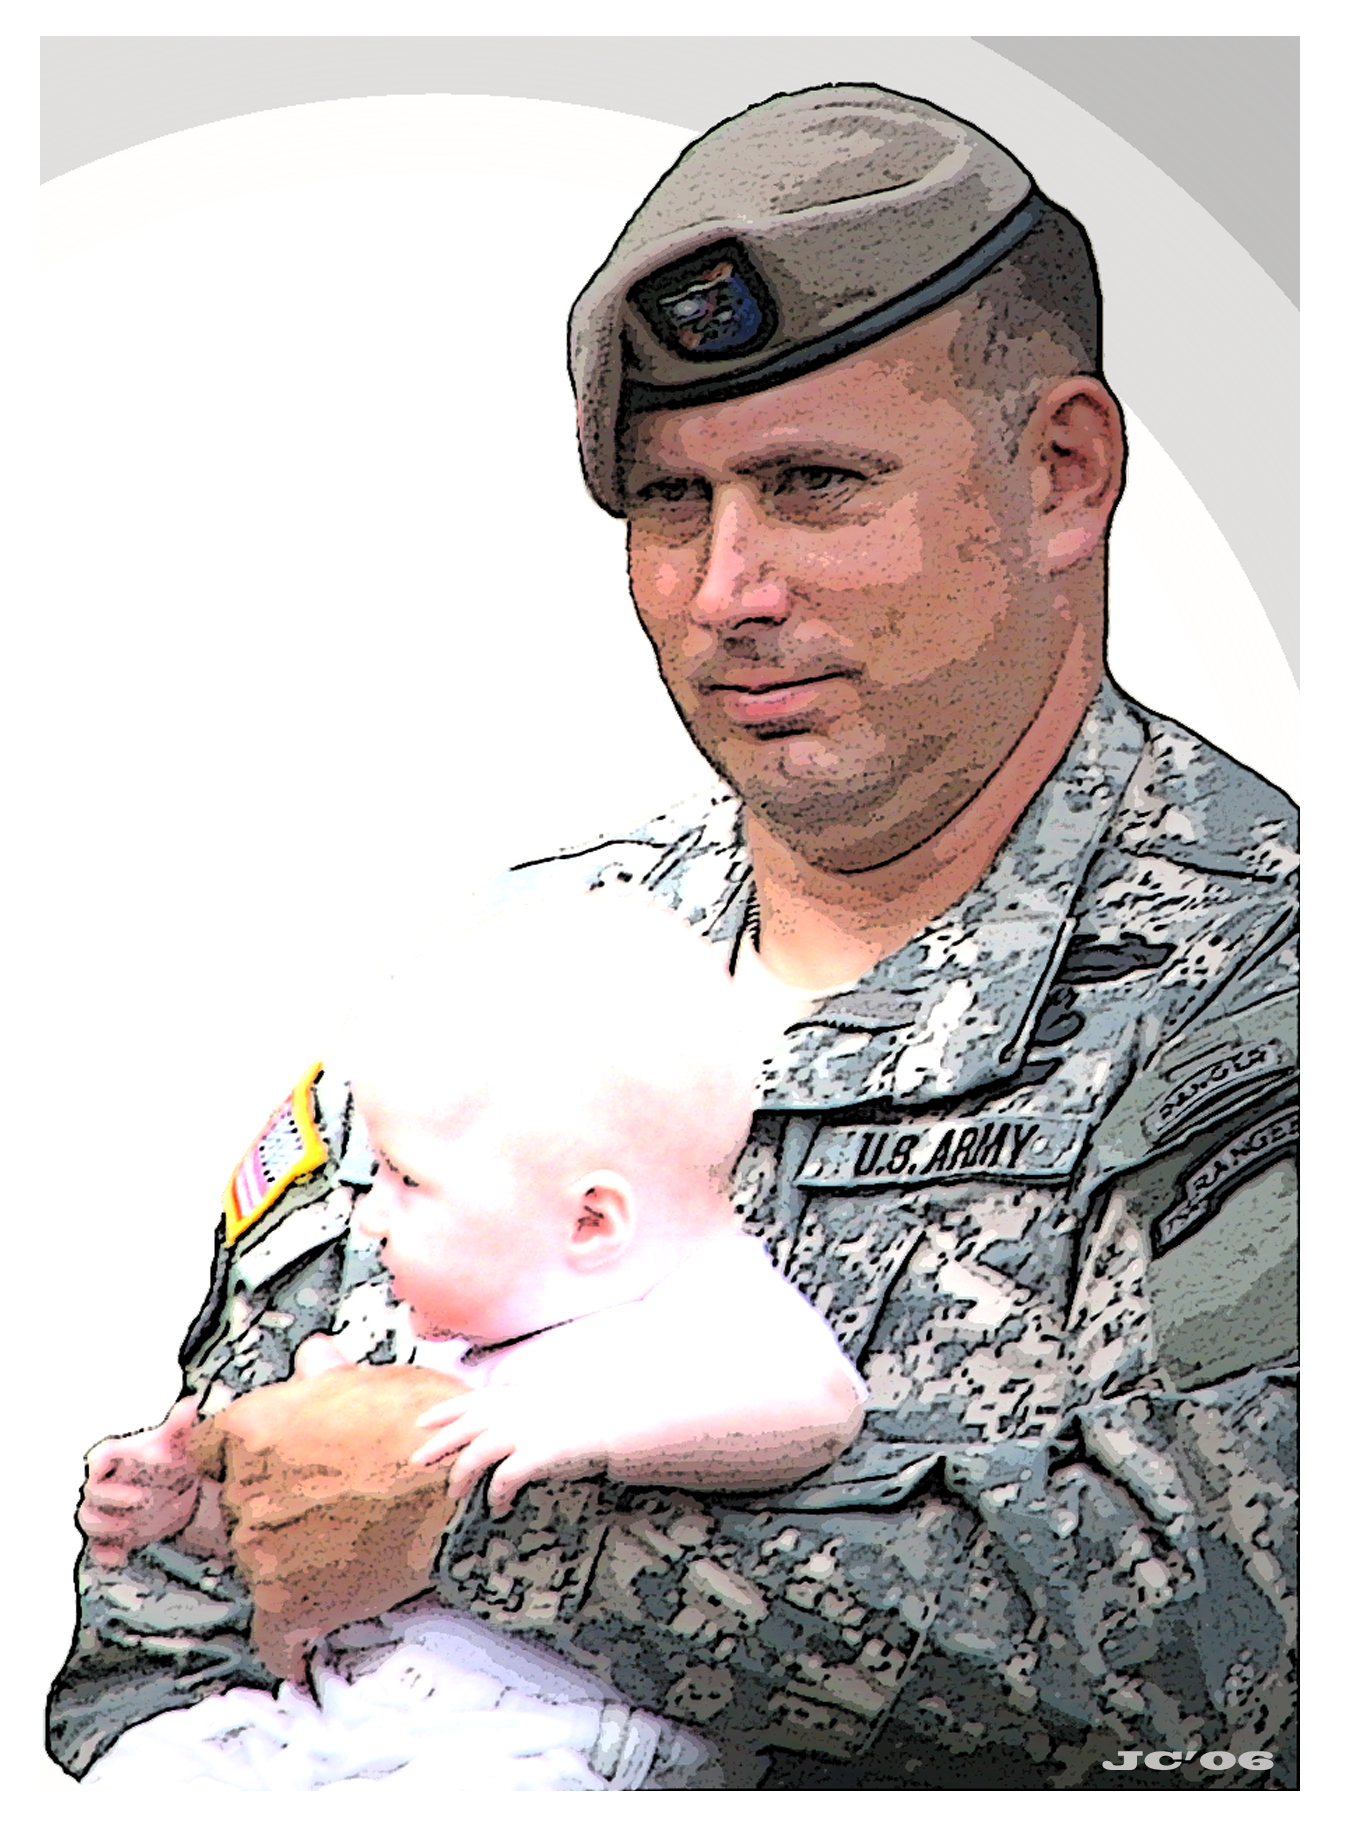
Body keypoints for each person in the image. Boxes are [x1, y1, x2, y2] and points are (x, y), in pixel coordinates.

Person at [50, 83, 1298, 1791]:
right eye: (670, 503)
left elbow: (1251, 1638)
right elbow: (154, 1644)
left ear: (1063, 473)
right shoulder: (510, 975)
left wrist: (461, 1529)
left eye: (813, 483)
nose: (727, 590)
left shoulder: (1267, 983)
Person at [77, 896, 865, 1790]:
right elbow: (336, 1525)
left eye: (406, 1179)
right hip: (344, 1714)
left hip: (542, 1745)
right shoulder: (465, 1329)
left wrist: (592, 1437)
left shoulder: (701, 1297)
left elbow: (817, 1408)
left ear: (592, 1220)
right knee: (154, 1771)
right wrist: (193, 1514)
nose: (365, 1212)